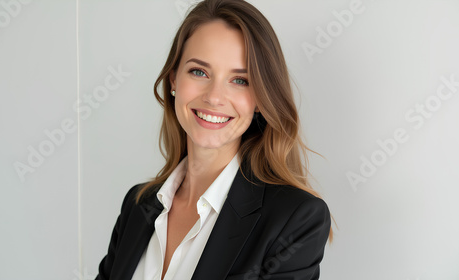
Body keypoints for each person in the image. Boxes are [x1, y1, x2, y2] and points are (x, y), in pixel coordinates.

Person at [95, 0, 333, 279]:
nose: (214, 97)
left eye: (240, 80)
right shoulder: (138, 205)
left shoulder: (294, 219)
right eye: (199, 72)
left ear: (260, 99)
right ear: (174, 80)